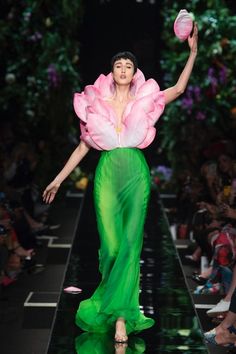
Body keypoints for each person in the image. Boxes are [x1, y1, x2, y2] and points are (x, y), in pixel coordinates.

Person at [43, 23, 198, 343]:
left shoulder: (147, 99)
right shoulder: (95, 103)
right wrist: (59, 178)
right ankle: (112, 306)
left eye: (129, 65)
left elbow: (179, 90)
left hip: (135, 174)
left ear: (135, 72)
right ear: (111, 72)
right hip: (108, 175)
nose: (124, 69)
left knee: (130, 245)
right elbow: (84, 145)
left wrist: (193, 52)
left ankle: (121, 318)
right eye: (118, 65)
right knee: (112, 247)